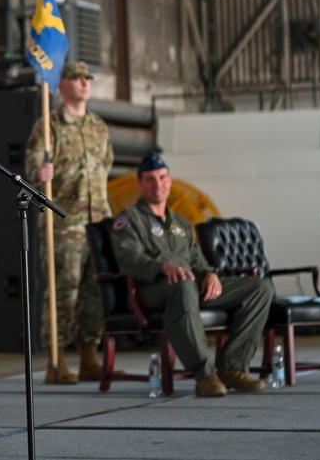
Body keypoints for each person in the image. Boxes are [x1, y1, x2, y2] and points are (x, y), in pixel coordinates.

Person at [111, 151, 272, 397]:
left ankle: (232, 367)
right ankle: (205, 375)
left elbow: (197, 259)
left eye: (162, 178)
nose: (158, 185)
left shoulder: (180, 222)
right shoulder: (128, 219)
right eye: (151, 179)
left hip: (187, 285)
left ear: (170, 181)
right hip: (151, 289)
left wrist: (210, 275)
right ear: (140, 183)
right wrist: (163, 267)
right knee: (185, 284)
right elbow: (128, 260)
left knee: (259, 289)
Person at [25, 61, 113, 384]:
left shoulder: (99, 127)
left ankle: (89, 356)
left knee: (96, 292)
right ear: (61, 85)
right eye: (76, 78)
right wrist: (39, 174)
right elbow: (34, 165)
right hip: (65, 225)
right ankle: (56, 360)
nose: (84, 83)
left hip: (98, 221)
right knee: (64, 294)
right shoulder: (49, 126)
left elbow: (106, 164)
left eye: (87, 78)